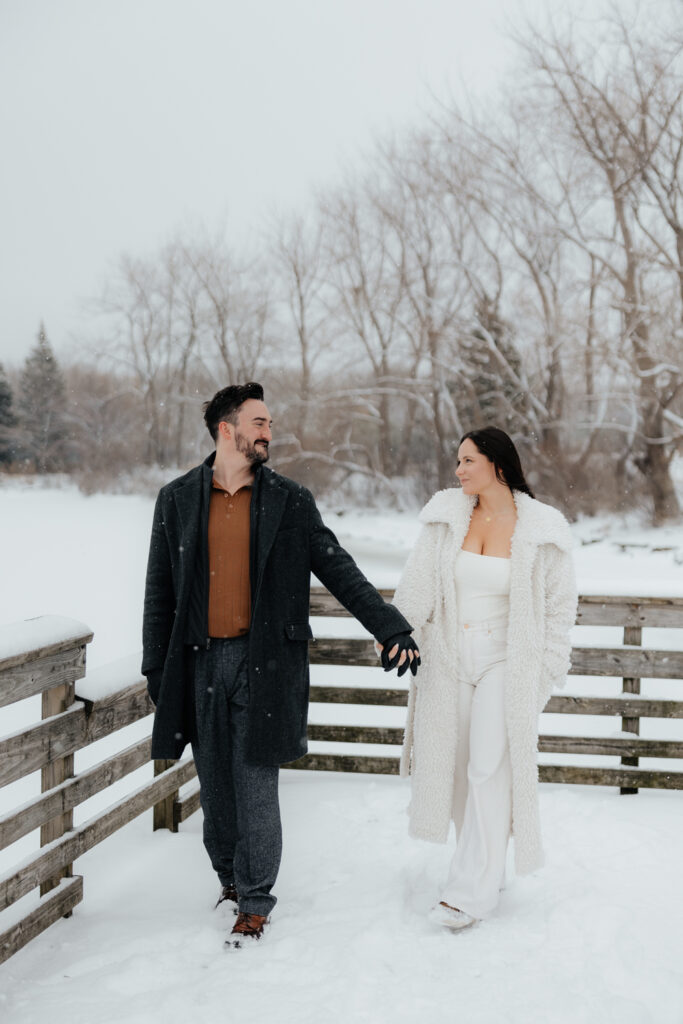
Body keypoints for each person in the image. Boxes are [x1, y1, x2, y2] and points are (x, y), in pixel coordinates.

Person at [142, 382, 419, 948]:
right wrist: (155, 670)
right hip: (197, 663)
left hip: (263, 661)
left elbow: (338, 568)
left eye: (269, 423)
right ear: (227, 428)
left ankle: (256, 900)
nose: (269, 432)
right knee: (215, 788)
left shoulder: (289, 500)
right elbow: (159, 592)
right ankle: (230, 880)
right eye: (259, 422)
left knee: (256, 782)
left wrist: (389, 625)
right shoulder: (175, 499)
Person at [393, 427, 577, 930]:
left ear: (497, 463)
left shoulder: (542, 527)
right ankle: (486, 862)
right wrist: (394, 632)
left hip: (507, 659)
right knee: (454, 770)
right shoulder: (446, 516)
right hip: (451, 655)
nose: (459, 471)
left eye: (468, 460)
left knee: (488, 766)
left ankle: (468, 893)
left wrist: (545, 671)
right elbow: (416, 586)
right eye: (457, 462)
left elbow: (560, 610)